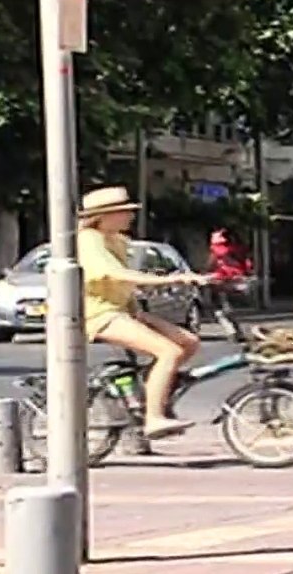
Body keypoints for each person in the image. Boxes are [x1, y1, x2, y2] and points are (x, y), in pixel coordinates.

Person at [76, 186, 208, 438]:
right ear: (103, 216)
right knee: (168, 351)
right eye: (124, 212)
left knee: (188, 342)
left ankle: (152, 390)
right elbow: (115, 273)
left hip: (124, 309)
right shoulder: (89, 240)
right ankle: (153, 418)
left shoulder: (118, 241)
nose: (131, 216)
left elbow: (126, 281)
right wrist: (172, 279)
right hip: (99, 313)